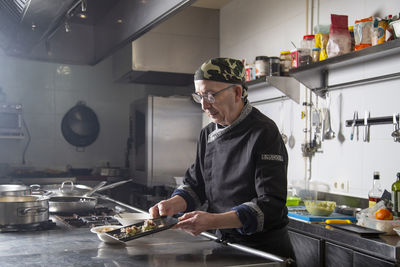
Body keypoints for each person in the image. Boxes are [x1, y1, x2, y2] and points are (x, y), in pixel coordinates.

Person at [149, 57, 295, 260]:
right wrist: (172, 204)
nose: (203, 106)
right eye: (199, 96)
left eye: (210, 95)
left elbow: (270, 205)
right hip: (224, 247)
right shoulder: (207, 134)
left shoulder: (264, 132)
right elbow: (195, 186)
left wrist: (213, 221)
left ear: (236, 92)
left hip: (263, 251)